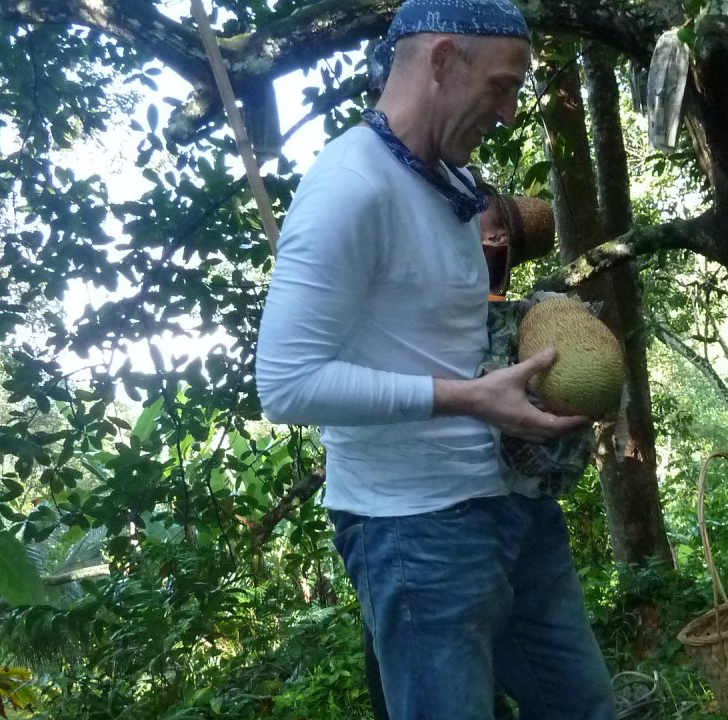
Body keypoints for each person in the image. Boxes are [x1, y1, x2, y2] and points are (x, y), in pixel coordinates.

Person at [254, 1, 616, 718]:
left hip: (513, 511)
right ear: (443, 61)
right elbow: (286, 384)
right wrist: (468, 398)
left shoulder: (451, 182)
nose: (510, 112)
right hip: (417, 534)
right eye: (503, 86)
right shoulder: (349, 188)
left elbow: (430, 329)